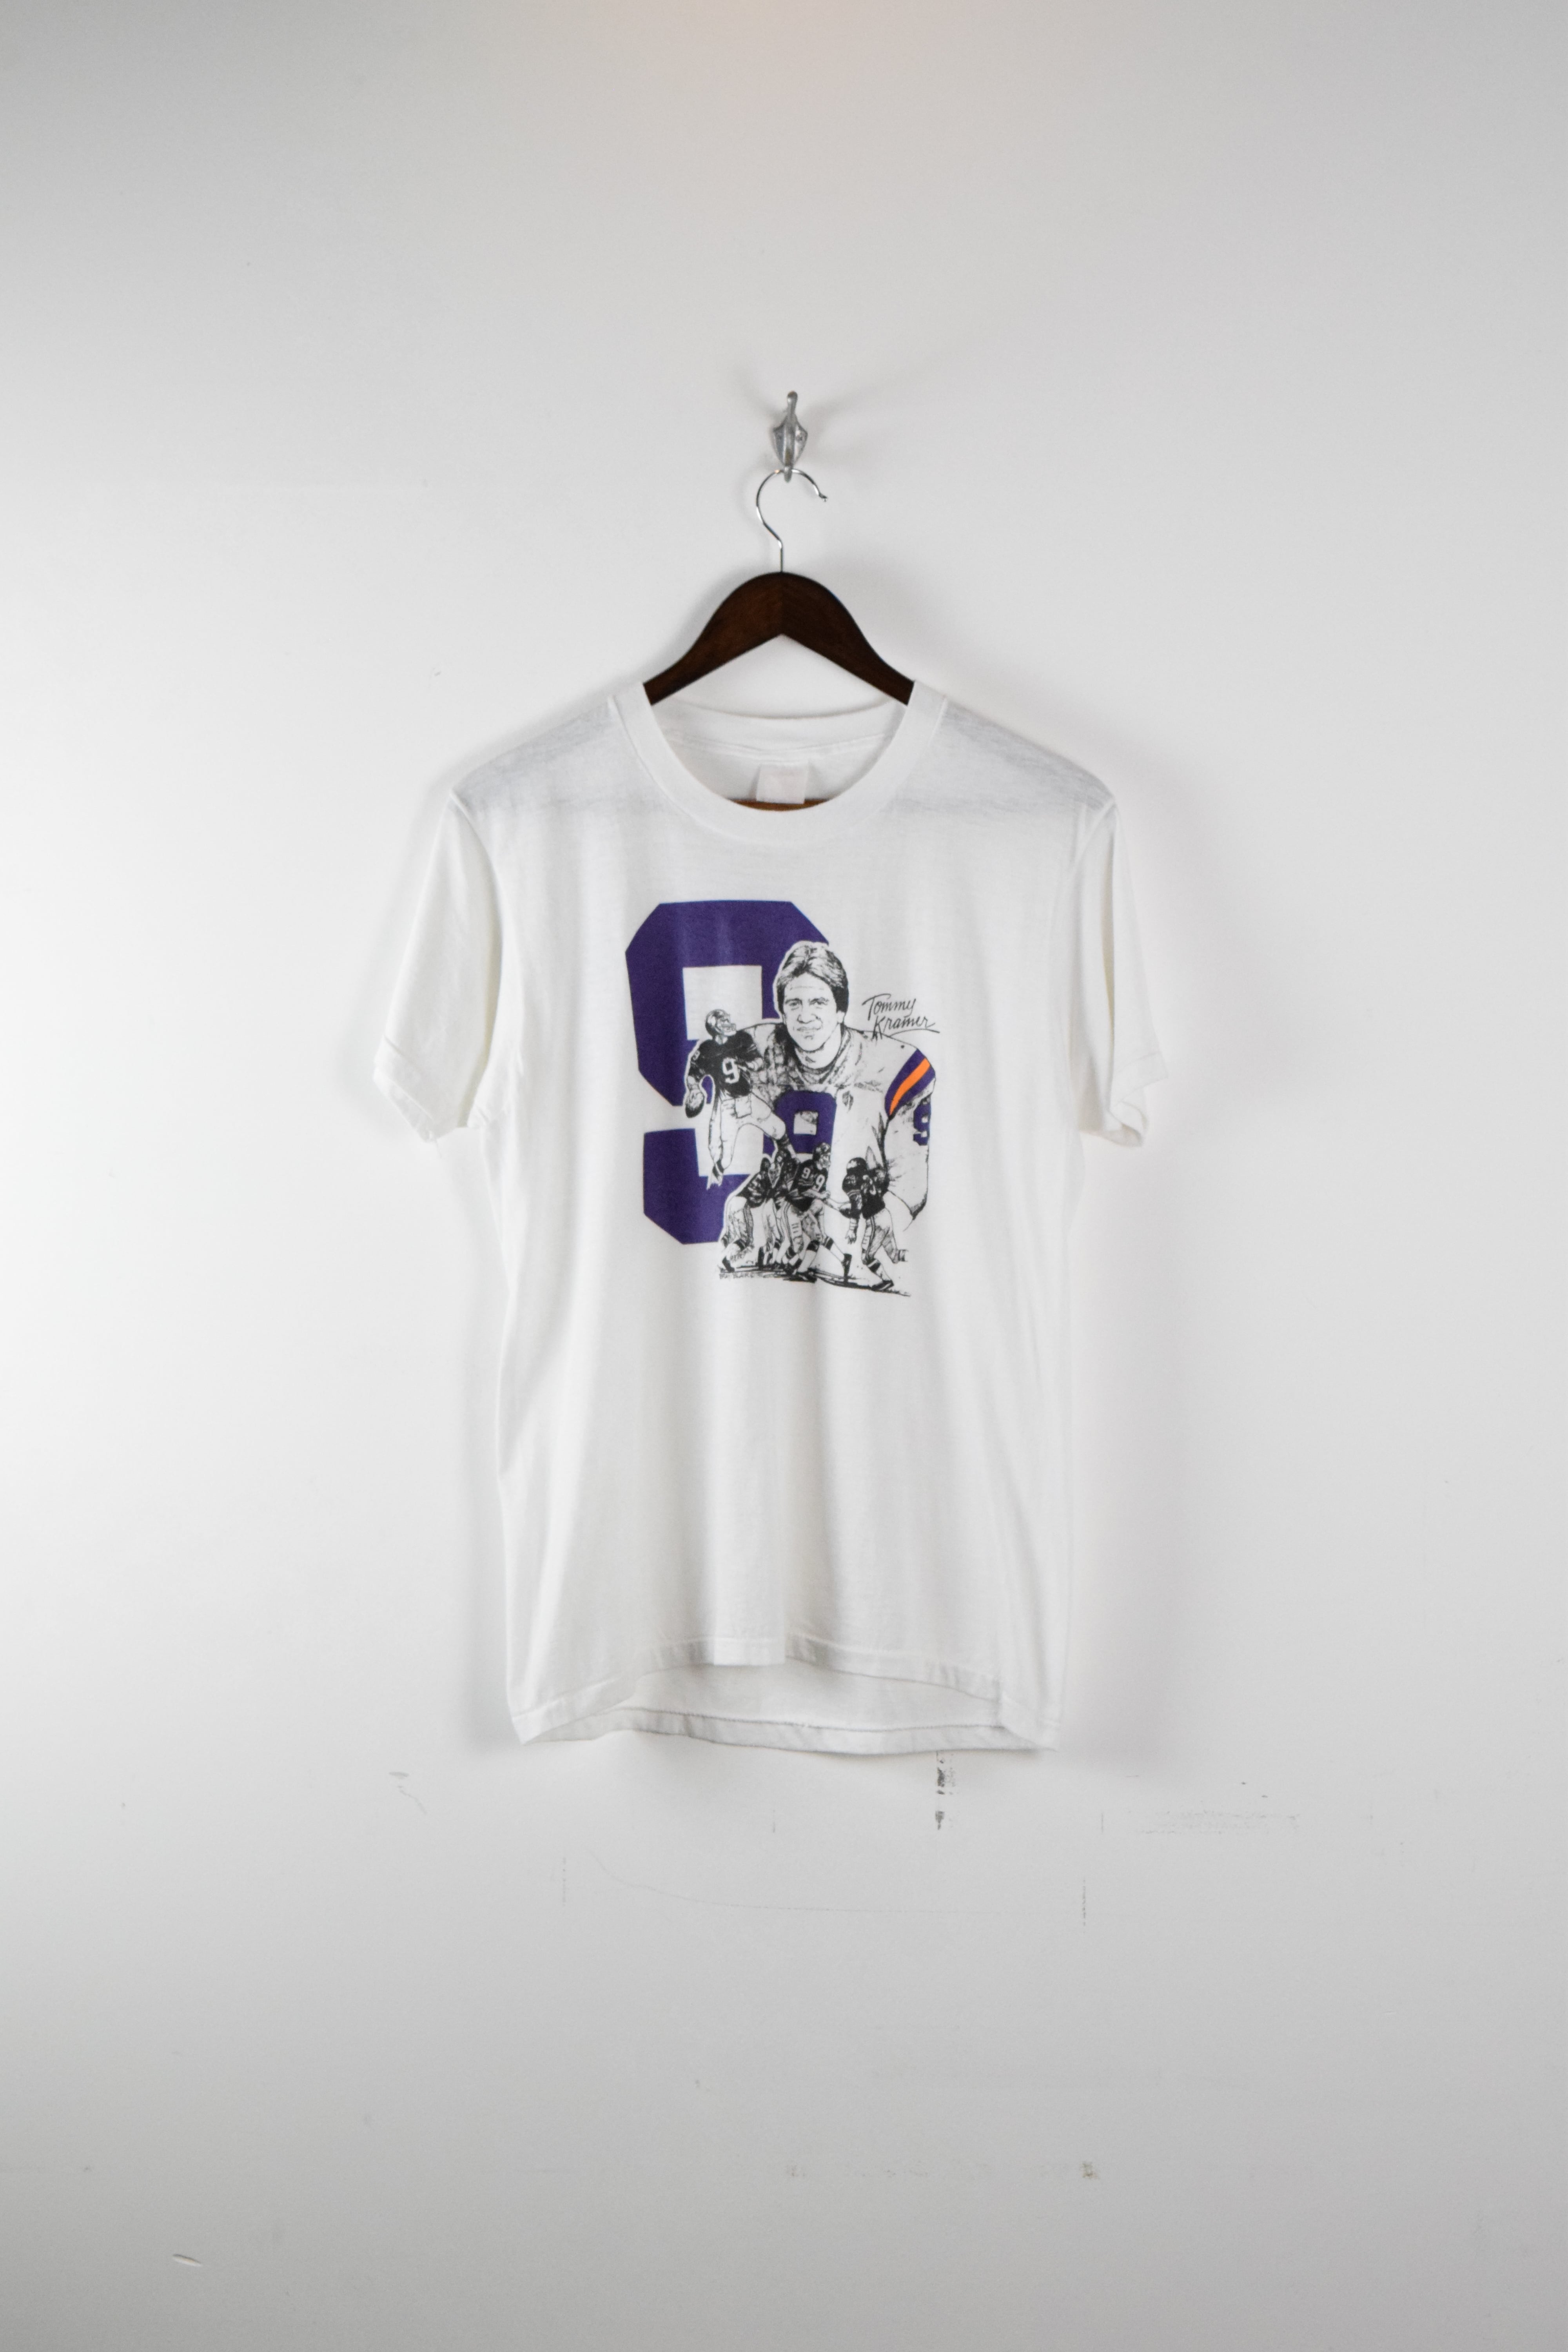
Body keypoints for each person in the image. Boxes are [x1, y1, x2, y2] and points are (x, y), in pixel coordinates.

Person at [730, 940, 935, 1288]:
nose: (805, 1016)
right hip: (792, 1197)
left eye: (819, 1002)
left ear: (841, 1010)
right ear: (782, 1012)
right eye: (794, 1003)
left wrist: (884, 1219)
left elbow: (910, 1183)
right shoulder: (757, 1051)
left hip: (849, 1210)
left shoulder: (890, 1065)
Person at [682, 1008, 784, 1184]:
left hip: (748, 1098)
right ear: (715, 1027)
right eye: (723, 1021)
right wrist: (694, 1089)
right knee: (724, 1157)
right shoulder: (707, 1049)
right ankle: (715, 1181)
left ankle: (791, 1157)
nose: (728, 1022)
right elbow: (692, 1076)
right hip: (728, 1105)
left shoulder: (742, 1039)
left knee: (779, 1128)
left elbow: (759, 1061)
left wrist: (749, 1065)